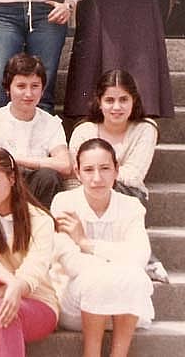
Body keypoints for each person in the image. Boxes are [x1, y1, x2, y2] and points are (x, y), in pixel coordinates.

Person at [52, 139, 153, 357]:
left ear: (116, 170)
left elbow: (139, 257)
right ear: (77, 172)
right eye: (88, 170)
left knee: (136, 277)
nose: (97, 178)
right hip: (76, 305)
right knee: (100, 280)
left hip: (124, 307)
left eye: (105, 168)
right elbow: (72, 265)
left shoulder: (131, 206)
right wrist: (117, 259)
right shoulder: (64, 202)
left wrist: (86, 243)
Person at [67, 69, 168, 282]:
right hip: (86, 193)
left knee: (124, 193)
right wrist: (104, 174)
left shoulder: (145, 129)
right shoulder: (84, 131)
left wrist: (99, 175)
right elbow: (76, 175)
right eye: (109, 100)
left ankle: (141, 258)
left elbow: (134, 175)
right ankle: (144, 260)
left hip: (127, 194)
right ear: (99, 102)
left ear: (134, 100)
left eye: (123, 99)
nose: (116, 107)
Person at [0, 147, 57, 357]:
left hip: (37, 303)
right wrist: (11, 283)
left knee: (0, 308)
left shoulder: (41, 220)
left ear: (12, 178)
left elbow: (31, 276)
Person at [0, 54, 71, 207]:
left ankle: (42, 221)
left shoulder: (50, 123)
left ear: (43, 90)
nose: (29, 93)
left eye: (35, 86)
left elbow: (65, 165)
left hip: (38, 187)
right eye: (21, 86)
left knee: (48, 176)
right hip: (5, 188)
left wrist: (16, 159)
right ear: (7, 89)